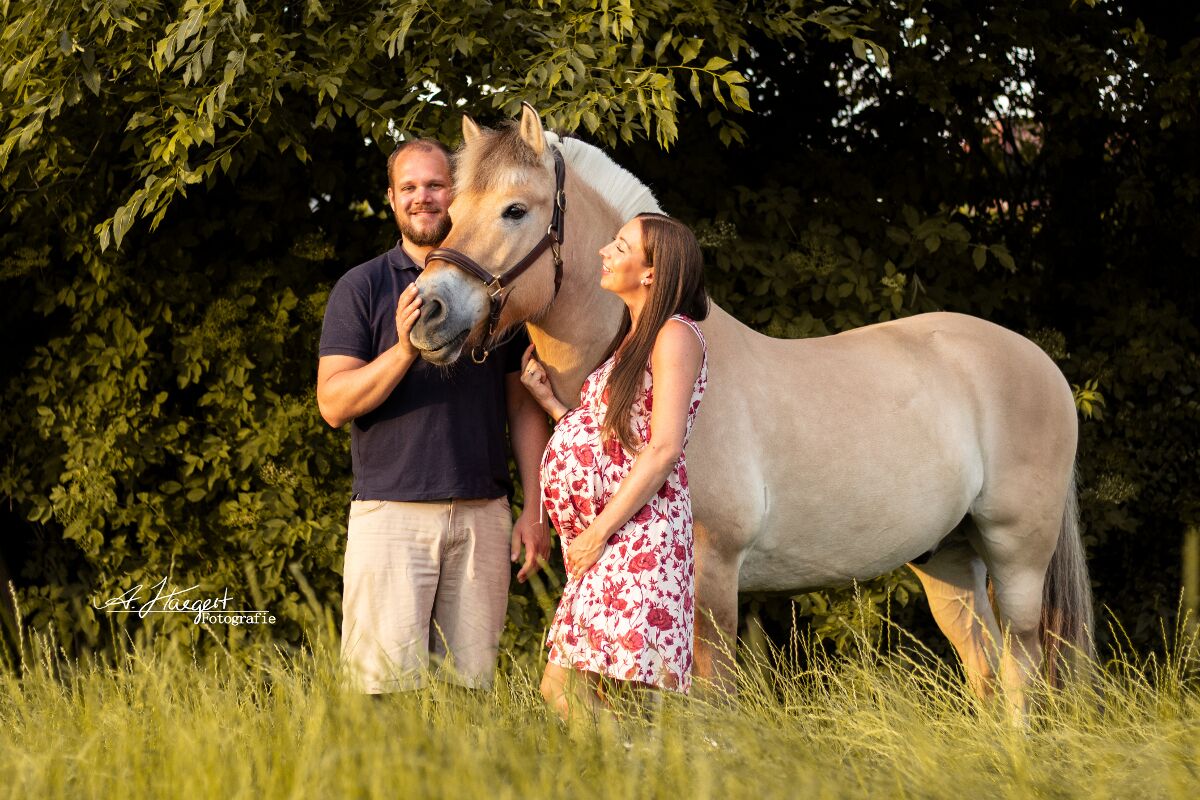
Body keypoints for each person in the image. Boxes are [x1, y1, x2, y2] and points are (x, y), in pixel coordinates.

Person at [316, 138, 551, 693]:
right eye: (410, 187)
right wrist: (402, 348)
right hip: (392, 515)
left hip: (482, 515)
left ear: (457, 193)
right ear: (393, 200)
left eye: (435, 185)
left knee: (469, 693)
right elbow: (333, 404)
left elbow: (521, 404)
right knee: (381, 693)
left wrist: (534, 509)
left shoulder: (494, 288)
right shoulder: (363, 286)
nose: (423, 197)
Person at [520, 212, 709, 718]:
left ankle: (632, 777)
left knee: (574, 689)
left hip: (638, 535)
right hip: (614, 537)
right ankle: (624, 774)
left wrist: (597, 532)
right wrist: (553, 406)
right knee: (583, 691)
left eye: (620, 247)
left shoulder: (675, 335)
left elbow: (664, 448)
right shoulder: (632, 338)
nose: (605, 251)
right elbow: (615, 438)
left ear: (652, 272)